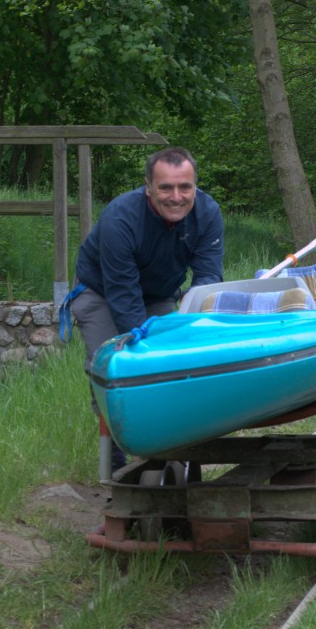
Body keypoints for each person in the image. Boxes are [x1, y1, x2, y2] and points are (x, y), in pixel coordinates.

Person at [62, 146, 224, 470]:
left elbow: (208, 279)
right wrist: (144, 345)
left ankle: (169, 459)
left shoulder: (208, 213)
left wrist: (191, 322)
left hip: (160, 293)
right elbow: (124, 299)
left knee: (178, 369)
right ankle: (118, 465)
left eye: (185, 187)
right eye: (165, 187)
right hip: (101, 293)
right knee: (113, 367)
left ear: (195, 186)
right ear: (149, 187)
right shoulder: (120, 218)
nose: (176, 197)